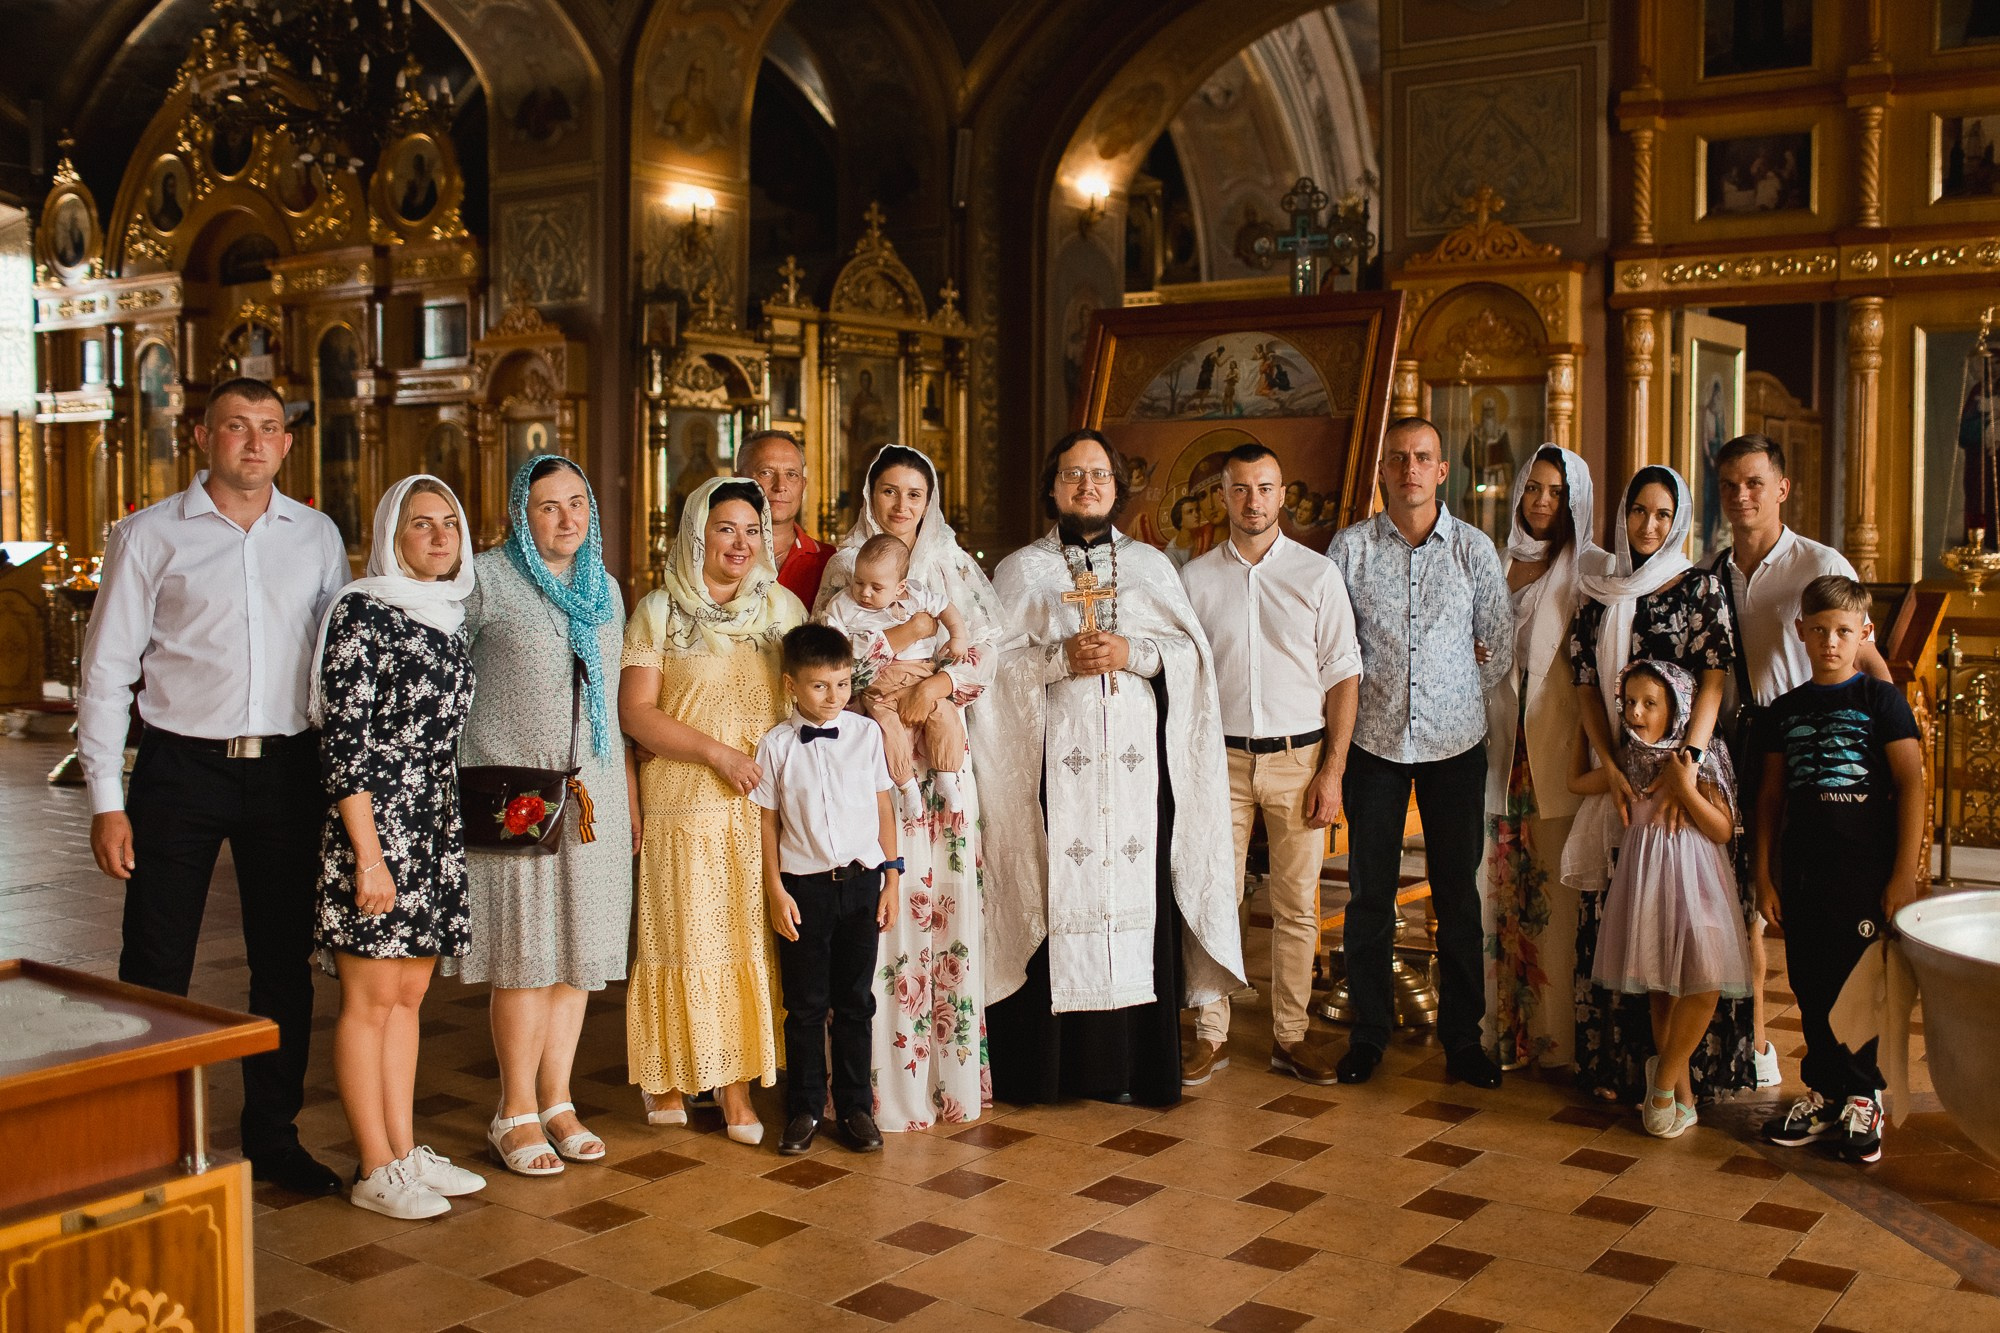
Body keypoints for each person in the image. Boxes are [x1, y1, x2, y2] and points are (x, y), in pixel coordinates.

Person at [79, 377, 348, 1197]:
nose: (254, 441)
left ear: (288, 441)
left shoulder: (317, 536)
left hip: (286, 771)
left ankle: (273, 1134)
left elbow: (340, 662)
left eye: (269, 427)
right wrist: (105, 801)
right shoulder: (147, 535)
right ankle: (145, 1135)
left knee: (281, 964)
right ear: (203, 437)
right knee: (157, 960)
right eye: (237, 426)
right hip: (179, 769)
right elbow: (105, 671)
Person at [979, 429, 1244, 1108]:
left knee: (1139, 896)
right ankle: (1046, 1072)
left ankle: (1137, 1065)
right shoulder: (1019, 571)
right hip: (1051, 777)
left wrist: (1131, 650)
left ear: (1117, 488)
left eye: (1099, 475)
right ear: (1052, 487)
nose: (1087, 486)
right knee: (1052, 886)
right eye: (1073, 474)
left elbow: (1189, 658)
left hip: (1133, 781)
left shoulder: (1154, 567)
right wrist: (1059, 660)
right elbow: (991, 670)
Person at [449, 456, 637, 1176]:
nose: (565, 520)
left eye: (576, 505)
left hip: (593, 801)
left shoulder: (606, 591)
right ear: (518, 515)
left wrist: (627, 794)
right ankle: (514, 1108)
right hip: (516, 801)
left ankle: (558, 1101)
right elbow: (447, 682)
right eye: (547, 507)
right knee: (525, 958)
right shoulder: (487, 581)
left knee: (578, 957)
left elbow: (612, 710)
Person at [311, 475, 487, 1218]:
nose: (440, 535)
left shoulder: (449, 612)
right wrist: (369, 854)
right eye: (422, 524)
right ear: (393, 535)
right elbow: (344, 744)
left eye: (449, 522)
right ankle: (373, 1164)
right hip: (374, 824)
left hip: (432, 822)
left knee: (409, 995)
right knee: (369, 997)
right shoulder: (362, 611)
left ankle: (403, 1149)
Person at [816, 445, 998, 1128]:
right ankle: (877, 1094)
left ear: (931, 501)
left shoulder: (948, 565)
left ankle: (944, 1087)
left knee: (942, 906)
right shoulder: (845, 567)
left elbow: (984, 648)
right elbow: (825, 660)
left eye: (914, 493)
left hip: (943, 763)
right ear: (870, 496)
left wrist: (941, 685)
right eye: (888, 491)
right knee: (884, 915)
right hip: (875, 763)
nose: (901, 505)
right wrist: (877, 696)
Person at [1326, 416, 1510, 1088]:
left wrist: (1452, 689)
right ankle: (1368, 1035)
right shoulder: (1349, 550)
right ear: (1382, 471)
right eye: (1398, 458)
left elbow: (1497, 645)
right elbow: (1333, 645)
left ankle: (1464, 1039)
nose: (1410, 469)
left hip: (1455, 745)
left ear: (1441, 471)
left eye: (1422, 457)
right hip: (1372, 743)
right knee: (1370, 894)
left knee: (1458, 894)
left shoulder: (1473, 550)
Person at [619, 477, 804, 1144]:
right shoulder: (660, 610)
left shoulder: (784, 610)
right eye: (726, 528)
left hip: (757, 803)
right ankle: (667, 1076)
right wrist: (717, 753)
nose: (740, 542)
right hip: (683, 799)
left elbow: (807, 699)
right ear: (699, 532)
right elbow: (637, 713)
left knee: (747, 936)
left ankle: (735, 1087)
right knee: (683, 937)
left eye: (751, 530)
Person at [1708, 434, 1892, 1090]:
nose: (1741, 495)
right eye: (1729, 484)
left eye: (1754, 482)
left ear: (1781, 488)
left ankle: (1854, 1075)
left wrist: (1882, 742)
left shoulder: (1819, 562)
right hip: (1743, 742)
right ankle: (1754, 1044)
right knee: (1747, 900)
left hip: (1814, 745)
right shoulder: (1716, 570)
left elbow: (1868, 664)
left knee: (1817, 905)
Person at [1566, 465, 1754, 1103]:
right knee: (1630, 931)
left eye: (1663, 515)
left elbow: (1714, 676)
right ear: (1623, 516)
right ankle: (1633, 1074)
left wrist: (1689, 765)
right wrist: (1610, 763)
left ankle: (1681, 1078)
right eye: (1639, 511)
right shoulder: (1599, 591)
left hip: (1684, 771)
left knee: (1692, 933)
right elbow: (1586, 685)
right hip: (1627, 772)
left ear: (1679, 522)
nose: (1649, 525)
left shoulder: (1699, 586)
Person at [1179, 443, 1360, 1086]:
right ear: (1222, 496)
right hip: (1218, 763)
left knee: (1297, 906)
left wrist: (1332, 770)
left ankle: (1291, 1035)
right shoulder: (1195, 580)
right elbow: (1184, 676)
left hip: (1300, 759)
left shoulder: (1318, 576)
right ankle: (1210, 1033)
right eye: (1240, 488)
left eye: (1265, 487)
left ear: (1283, 495)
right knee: (1215, 899)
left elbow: (1343, 677)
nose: (1253, 500)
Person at [1756, 576, 1926, 1164]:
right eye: (1820, 630)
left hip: (1864, 872)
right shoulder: (1786, 710)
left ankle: (1863, 1095)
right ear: (1802, 632)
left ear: (1864, 635)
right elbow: (1772, 799)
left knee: (1859, 986)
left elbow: (1911, 784)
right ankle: (1825, 1092)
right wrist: (1763, 874)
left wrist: (1903, 875)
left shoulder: (1883, 702)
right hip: (1804, 875)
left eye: (1844, 632)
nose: (1831, 641)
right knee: (1810, 982)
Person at [1567, 660, 1751, 1139]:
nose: (1634, 712)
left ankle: (1663, 1080)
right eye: (1628, 702)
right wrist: (1583, 737)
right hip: (1646, 879)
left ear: (1678, 707)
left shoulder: (1699, 759)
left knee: (1706, 981)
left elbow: (1721, 828)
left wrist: (1684, 788)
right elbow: (1576, 783)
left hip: (1699, 880)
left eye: (1649, 703)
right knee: (1660, 987)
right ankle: (1681, 1097)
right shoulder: (1630, 759)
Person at [753, 624, 900, 1156]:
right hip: (804, 889)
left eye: (841, 684)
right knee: (806, 1005)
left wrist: (893, 877)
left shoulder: (865, 735)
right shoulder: (775, 745)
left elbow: (884, 807)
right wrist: (775, 889)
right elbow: (768, 823)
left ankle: (856, 1108)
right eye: (820, 686)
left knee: (856, 1003)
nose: (834, 696)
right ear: (792, 685)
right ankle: (806, 1107)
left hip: (862, 884)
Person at [1482, 446, 1600, 1071]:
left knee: (1553, 898)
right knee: (1497, 894)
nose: (1541, 501)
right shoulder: (1493, 561)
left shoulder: (1591, 571)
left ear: (1574, 500)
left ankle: (1555, 1044)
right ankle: (1503, 1035)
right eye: (1533, 488)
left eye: (1555, 492)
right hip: (1499, 749)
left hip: (1557, 749)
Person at [820, 532, 970, 816]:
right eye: (859, 582)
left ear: (900, 587)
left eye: (876, 587)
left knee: (944, 713)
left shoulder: (915, 595)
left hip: (922, 675)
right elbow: (834, 645)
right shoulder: (843, 604)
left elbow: (947, 609)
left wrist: (958, 637)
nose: (864, 592)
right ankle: (906, 785)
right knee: (885, 727)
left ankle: (947, 776)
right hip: (879, 684)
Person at [737, 428, 834, 606]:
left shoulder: (830, 562)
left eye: (791, 475)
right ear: (737, 480)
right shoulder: (720, 555)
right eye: (766, 472)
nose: (780, 486)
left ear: (803, 486)